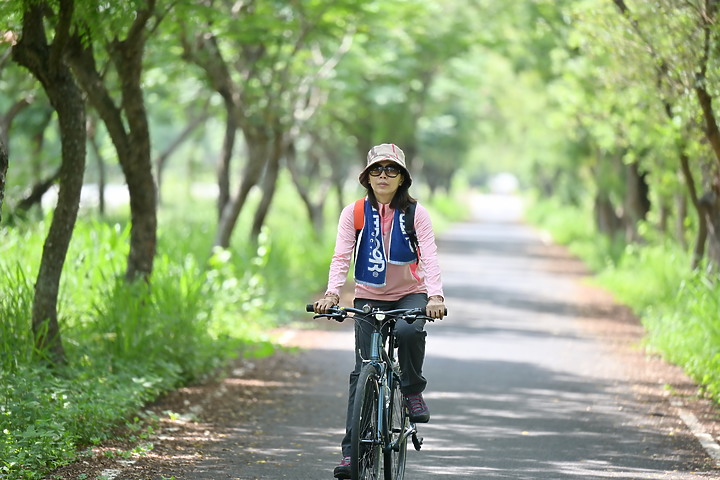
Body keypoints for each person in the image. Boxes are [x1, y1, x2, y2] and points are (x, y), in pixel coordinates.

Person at [313, 143, 446, 479]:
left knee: (409, 331)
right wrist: (331, 293)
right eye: (377, 170)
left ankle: (413, 389)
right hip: (368, 296)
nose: (383, 176)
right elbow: (341, 256)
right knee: (362, 372)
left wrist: (435, 297)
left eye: (391, 170)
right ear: (367, 177)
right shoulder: (354, 212)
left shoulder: (417, 213)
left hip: (409, 294)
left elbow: (429, 257)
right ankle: (350, 455)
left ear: (402, 178)